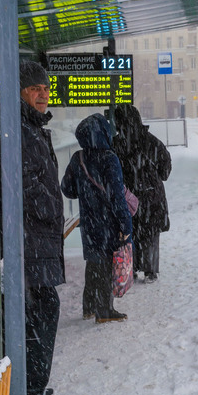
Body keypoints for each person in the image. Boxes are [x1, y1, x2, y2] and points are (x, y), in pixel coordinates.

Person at [19, 60, 71, 395]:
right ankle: (30, 394)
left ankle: (33, 389)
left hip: (37, 240)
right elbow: (22, 182)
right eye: (34, 88)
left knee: (41, 312)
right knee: (41, 311)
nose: (42, 94)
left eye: (45, 88)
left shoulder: (32, 128)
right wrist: (49, 207)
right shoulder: (19, 129)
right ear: (20, 91)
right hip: (28, 241)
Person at [61, 113, 133, 322]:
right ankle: (104, 311)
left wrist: (85, 194)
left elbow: (67, 188)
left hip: (89, 222)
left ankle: (89, 306)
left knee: (93, 263)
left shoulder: (78, 158)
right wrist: (125, 224)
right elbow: (117, 196)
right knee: (105, 265)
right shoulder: (110, 158)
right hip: (108, 222)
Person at [113, 105, 172, 283]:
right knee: (151, 232)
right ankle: (150, 270)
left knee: (130, 231)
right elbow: (165, 168)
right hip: (151, 197)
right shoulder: (151, 141)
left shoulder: (115, 144)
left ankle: (130, 267)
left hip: (128, 197)